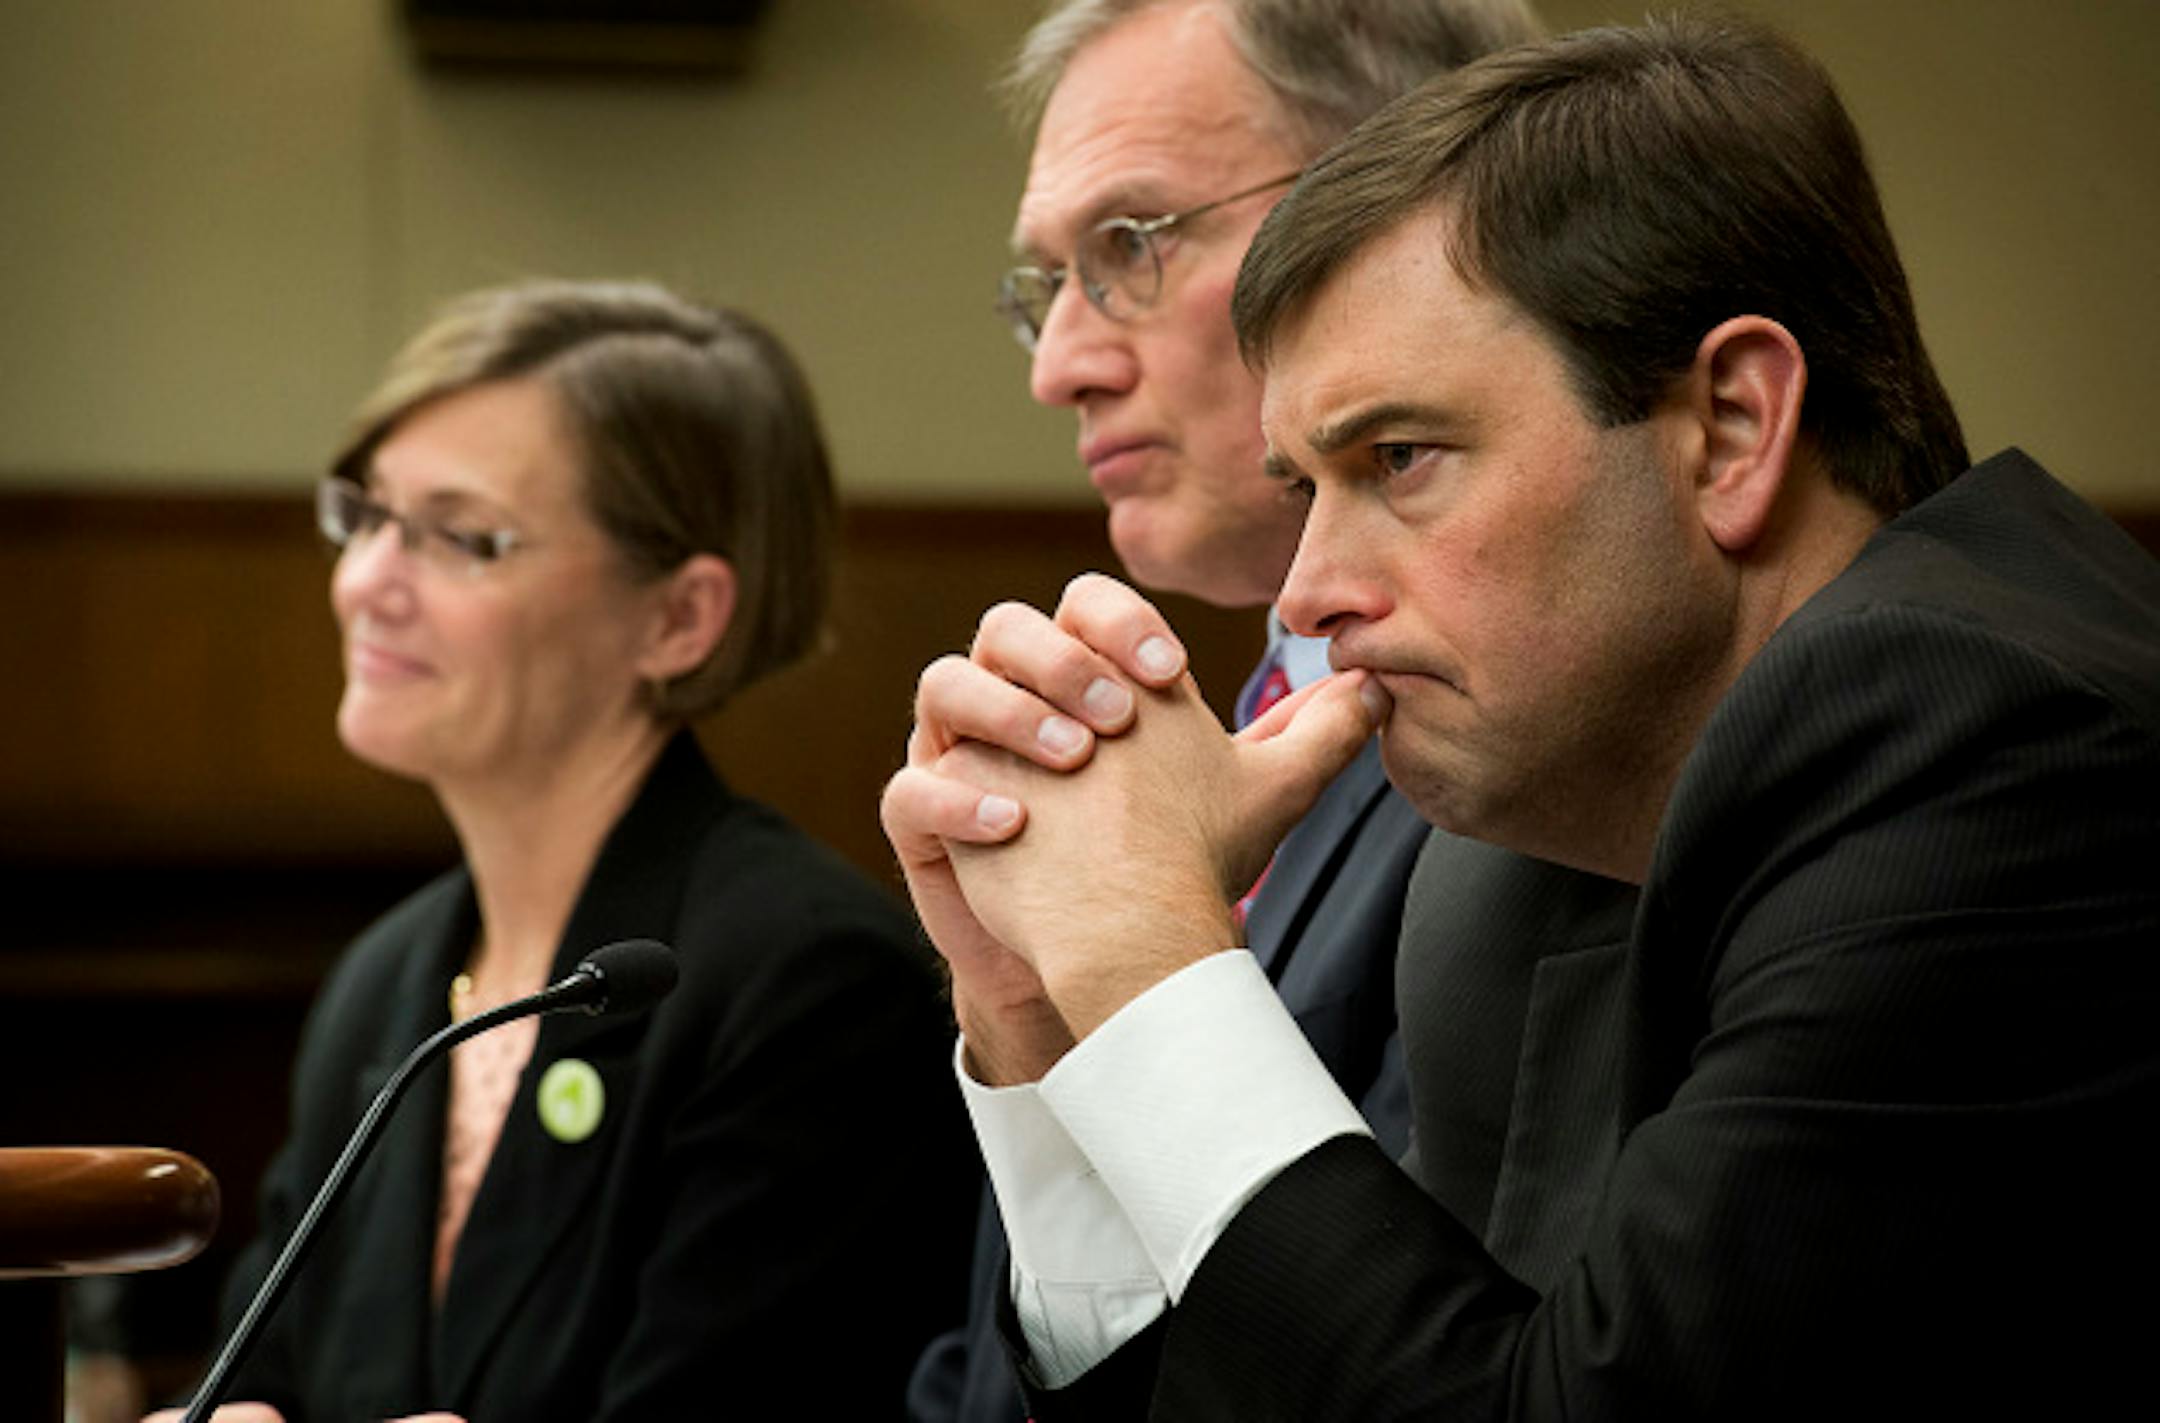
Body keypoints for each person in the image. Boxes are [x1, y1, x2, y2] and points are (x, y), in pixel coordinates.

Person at [885, 16, 2160, 1418]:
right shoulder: (1518, 862)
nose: (1307, 594)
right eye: (1307, 487)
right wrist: (1054, 1029)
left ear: (1733, 427)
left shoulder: (1996, 744)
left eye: (1399, 457)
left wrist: (1144, 955)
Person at [903, 4, 1634, 1419]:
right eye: (1047, 283)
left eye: (1129, 245)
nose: (1058, 364)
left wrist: (1135, 948)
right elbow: (995, 1380)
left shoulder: (1537, 753)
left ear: (1394, 206)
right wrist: (1042, 1025)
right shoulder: (1208, 722)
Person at [159, 281, 974, 1421]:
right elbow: (263, 1373)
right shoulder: (384, 980)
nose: (366, 581)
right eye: (369, 515)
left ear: (678, 618)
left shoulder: (811, 983)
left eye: (459, 537)